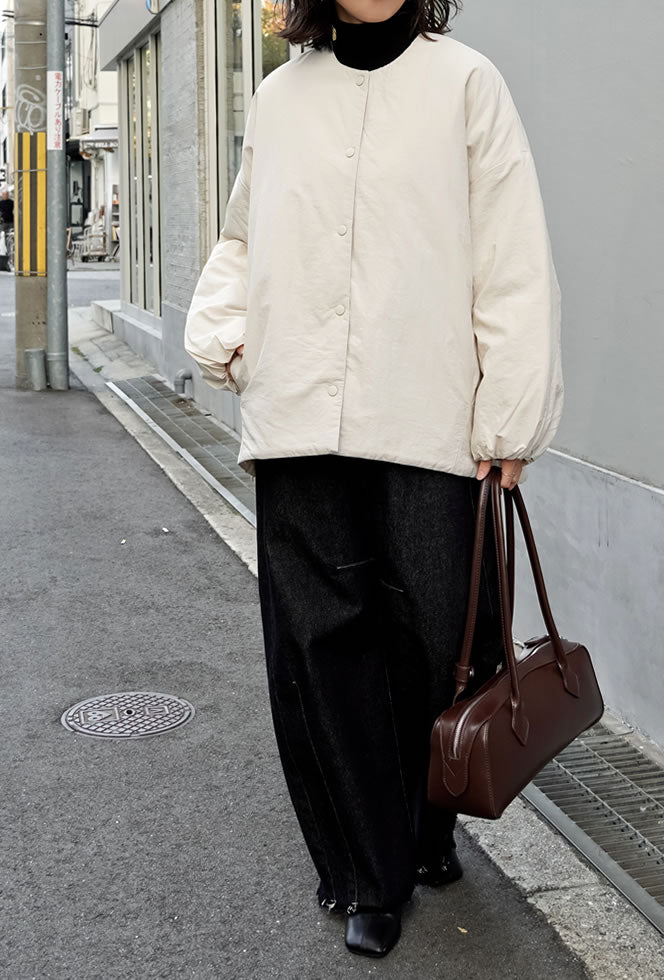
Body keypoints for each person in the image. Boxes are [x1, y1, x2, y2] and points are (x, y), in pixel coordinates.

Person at [184, 0, 564, 959]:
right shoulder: (281, 98)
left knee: (437, 641)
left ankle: (426, 827)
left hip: (428, 420)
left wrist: (512, 414)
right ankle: (368, 872)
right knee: (324, 649)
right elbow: (242, 238)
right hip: (299, 420)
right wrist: (229, 337)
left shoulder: (466, 84)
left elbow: (513, 261)